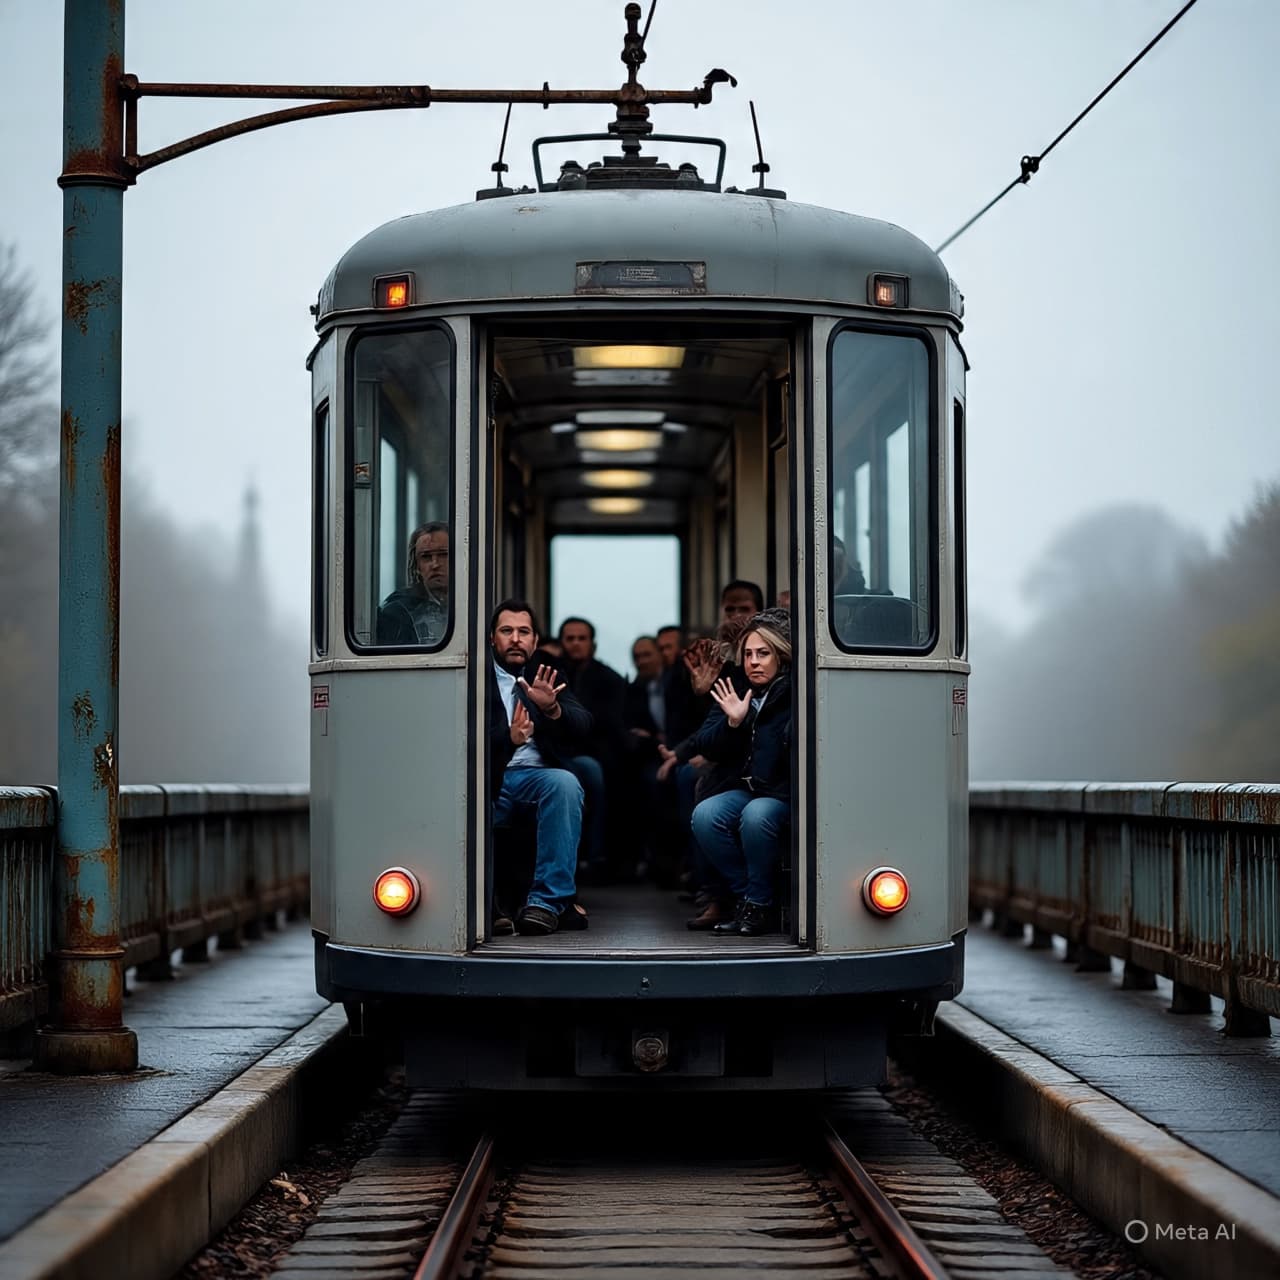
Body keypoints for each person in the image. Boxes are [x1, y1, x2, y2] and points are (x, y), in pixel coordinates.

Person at [489, 599, 592, 935]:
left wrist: (551, 710)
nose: (516, 639)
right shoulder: (473, 676)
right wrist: (509, 738)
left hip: (535, 775)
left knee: (565, 784)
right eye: (507, 631)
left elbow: (584, 724)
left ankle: (545, 904)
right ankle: (488, 905)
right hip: (487, 775)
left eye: (524, 632)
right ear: (492, 638)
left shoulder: (546, 675)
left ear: (534, 641)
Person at [688, 609, 793, 937]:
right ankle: (755, 899)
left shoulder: (795, 691)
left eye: (763, 654)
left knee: (756, 815)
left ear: (781, 656)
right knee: (706, 816)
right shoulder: (734, 687)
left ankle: (757, 902)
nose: (754, 662)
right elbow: (705, 742)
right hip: (748, 787)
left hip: (784, 791)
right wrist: (735, 722)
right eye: (748, 654)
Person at [377, 522, 449, 645]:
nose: (435, 564)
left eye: (443, 554)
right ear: (417, 566)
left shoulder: (477, 602)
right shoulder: (397, 613)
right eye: (426, 557)